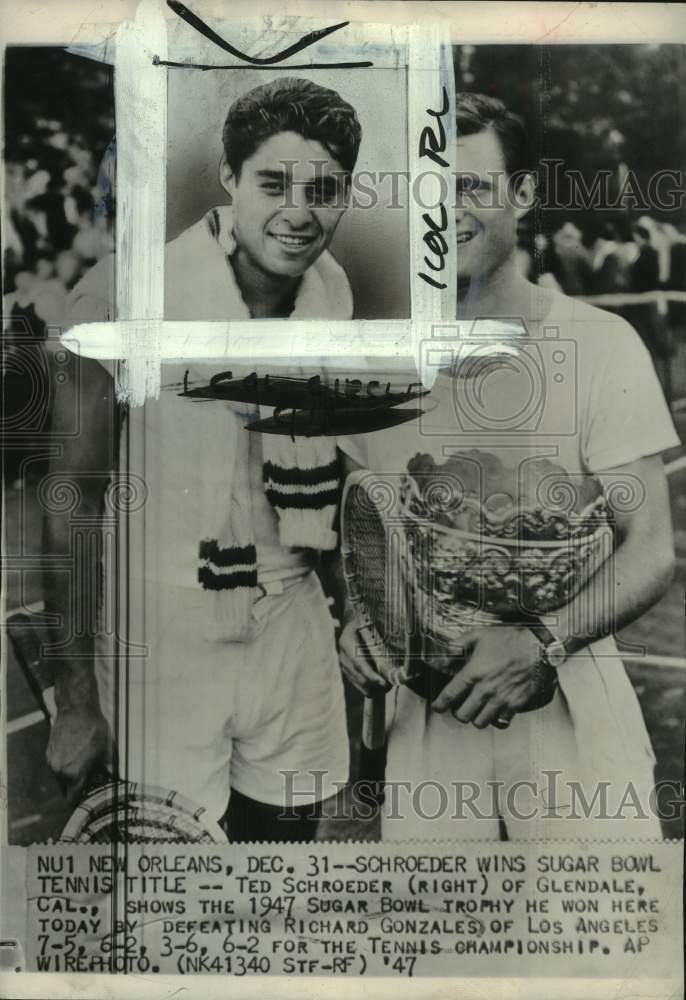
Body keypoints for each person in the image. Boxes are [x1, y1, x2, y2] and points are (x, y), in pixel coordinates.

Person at [338, 93, 678, 840]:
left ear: (522, 194)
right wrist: (363, 631)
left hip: (570, 705)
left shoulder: (600, 343)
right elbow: (371, 543)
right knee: (440, 954)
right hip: (428, 728)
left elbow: (652, 549)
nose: (447, 213)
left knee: (600, 950)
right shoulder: (377, 363)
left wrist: (542, 643)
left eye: (472, 187)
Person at [44, 77, 362, 842]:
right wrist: (77, 697)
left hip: (289, 623)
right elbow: (70, 503)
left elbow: (336, 469)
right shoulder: (120, 297)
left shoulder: (331, 290)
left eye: (324, 189)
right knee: (170, 906)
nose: (298, 211)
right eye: (273, 183)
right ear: (229, 177)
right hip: (162, 633)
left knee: (276, 879)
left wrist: (357, 610)